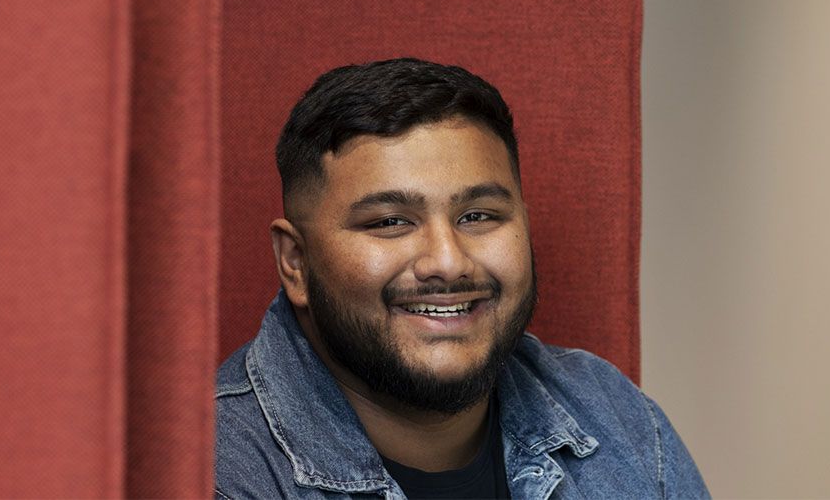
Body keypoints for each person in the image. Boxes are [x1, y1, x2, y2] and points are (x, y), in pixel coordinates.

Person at [215, 58, 708, 499]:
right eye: (390, 222)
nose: (449, 262)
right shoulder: (214, 472)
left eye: (478, 216)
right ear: (296, 262)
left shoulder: (617, 415)